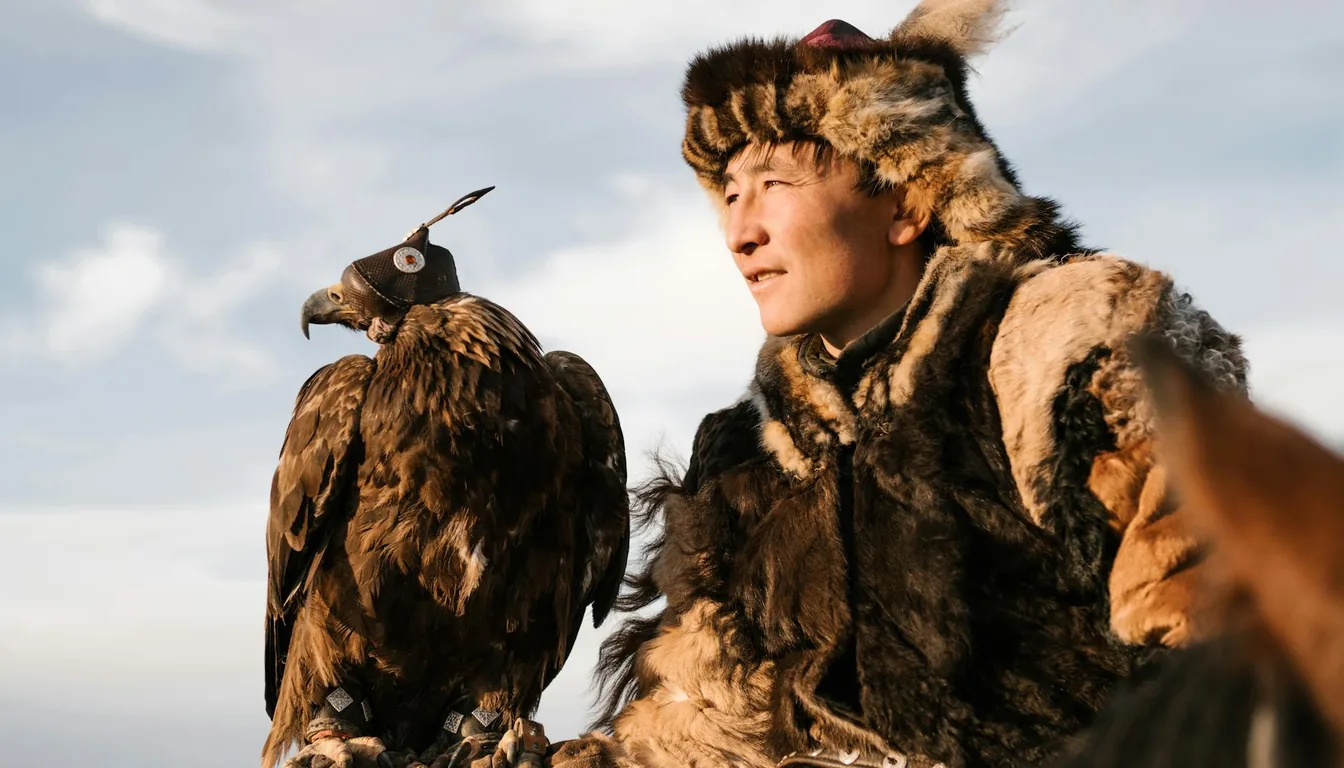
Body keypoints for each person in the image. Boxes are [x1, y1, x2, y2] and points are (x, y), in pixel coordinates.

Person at [543, 2, 1250, 767]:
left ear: (907, 202)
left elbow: (1219, 636)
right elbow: (705, 721)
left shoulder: (1066, 344)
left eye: (775, 182)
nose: (739, 231)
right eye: (731, 192)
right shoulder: (748, 451)